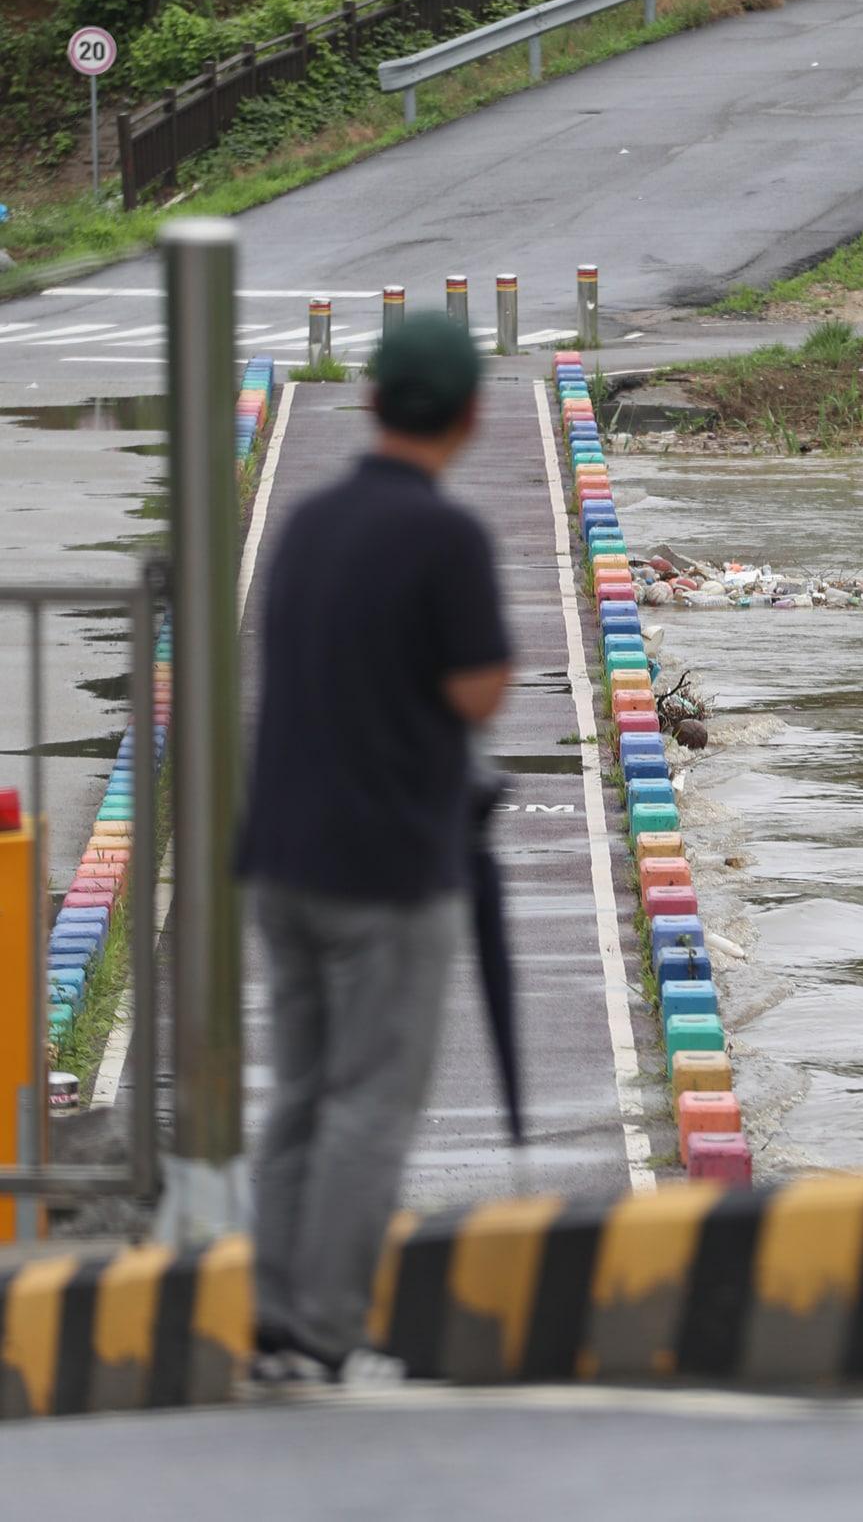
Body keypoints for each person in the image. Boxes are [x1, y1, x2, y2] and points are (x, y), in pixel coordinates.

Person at [238, 315, 511, 1381]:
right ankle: (322, 1324)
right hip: (384, 867)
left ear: (369, 400)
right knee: (369, 1101)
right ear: (470, 417)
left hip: (280, 855)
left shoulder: (307, 519)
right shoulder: (444, 537)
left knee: (301, 1088)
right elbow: (480, 687)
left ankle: (270, 1307)